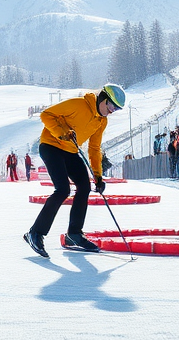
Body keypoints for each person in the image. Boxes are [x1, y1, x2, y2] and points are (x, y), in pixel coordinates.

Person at [23, 84, 125, 257]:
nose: (113, 110)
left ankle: (74, 234)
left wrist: (98, 176)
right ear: (103, 98)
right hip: (51, 145)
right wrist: (62, 132)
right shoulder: (79, 105)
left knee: (84, 187)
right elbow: (46, 114)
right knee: (62, 189)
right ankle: (36, 233)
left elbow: (94, 148)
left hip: (70, 150)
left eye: (117, 108)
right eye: (112, 105)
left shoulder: (102, 121)